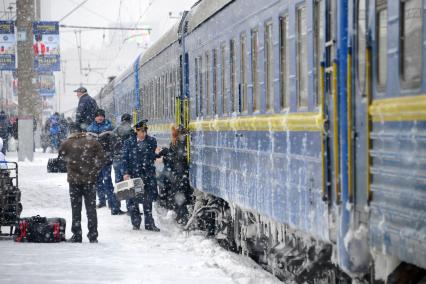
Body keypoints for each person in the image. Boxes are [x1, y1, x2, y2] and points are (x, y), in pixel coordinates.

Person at [58, 122, 105, 243]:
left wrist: (72, 164)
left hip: (74, 181)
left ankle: (77, 235)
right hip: (90, 181)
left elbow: (61, 156)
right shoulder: (93, 142)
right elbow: (101, 158)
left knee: (76, 208)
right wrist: (93, 172)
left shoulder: (67, 143)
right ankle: (93, 235)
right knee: (91, 209)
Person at [122, 119, 160, 231]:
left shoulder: (152, 141)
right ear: (136, 131)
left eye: (145, 131)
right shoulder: (129, 142)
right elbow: (125, 159)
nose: (143, 133)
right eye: (141, 131)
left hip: (148, 174)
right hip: (135, 174)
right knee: (134, 199)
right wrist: (126, 173)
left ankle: (149, 223)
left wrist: (158, 156)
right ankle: (136, 222)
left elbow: (153, 155)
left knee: (147, 200)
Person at [87, 109, 124, 215]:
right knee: (97, 181)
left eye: (101, 116)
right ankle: (102, 201)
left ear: (104, 117)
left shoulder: (109, 127)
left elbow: (115, 143)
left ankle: (113, 205)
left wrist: (111, 153)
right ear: (95, 117)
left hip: (106, 159)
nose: (100, 117)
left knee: (107, 181)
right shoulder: (90, 128)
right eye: (98, 116)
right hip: (95, 160)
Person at [157, 125, 192, 224]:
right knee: (178, 196)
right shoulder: (177, 142)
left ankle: (182, 217)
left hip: (180, 175)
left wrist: (166, 155)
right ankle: (181, 216)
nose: (172, 134)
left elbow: (178, 158)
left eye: (173, 132)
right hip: (179, 174)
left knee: (179, 196)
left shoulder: (180, 142)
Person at [112, 113, 133, 212]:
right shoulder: (130, 130)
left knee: (118, 183)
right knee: (127, 183)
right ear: (130, 120)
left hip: (116, 159)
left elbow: (111, 142)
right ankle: (130, 208)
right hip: (126, 159)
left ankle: (115, 207)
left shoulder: (115, 130)